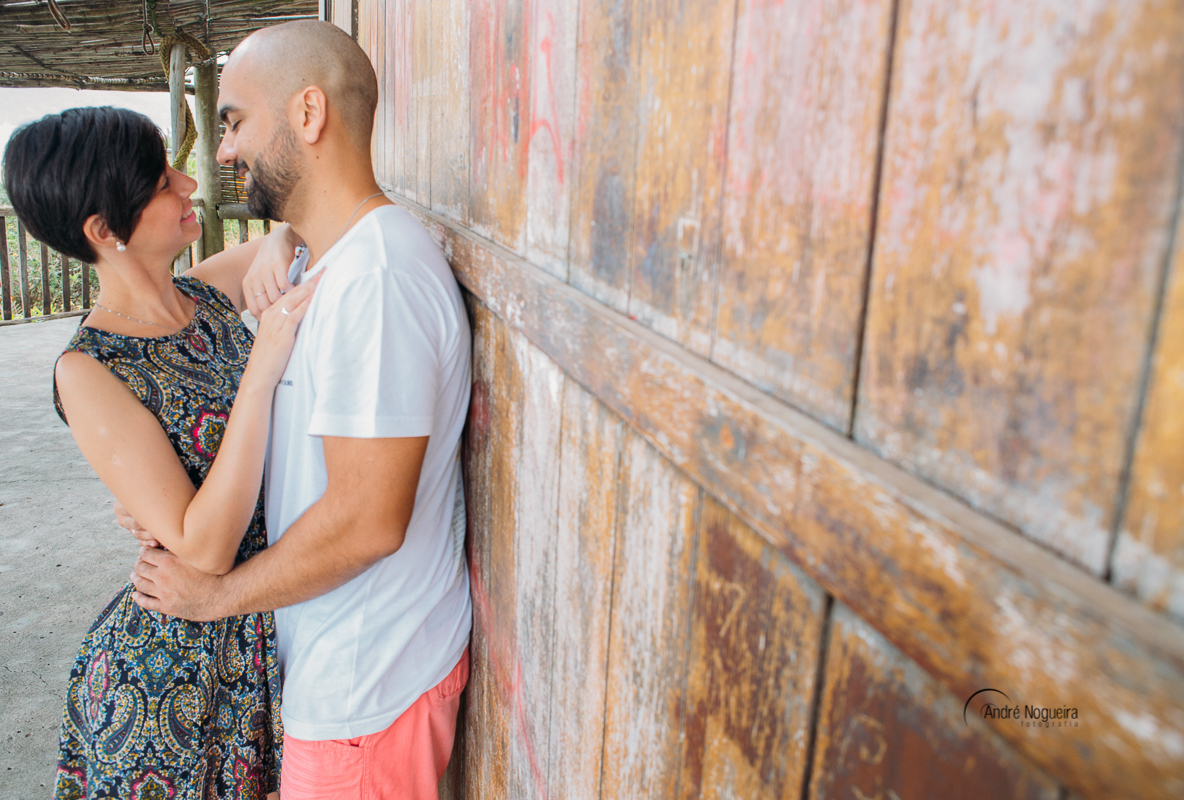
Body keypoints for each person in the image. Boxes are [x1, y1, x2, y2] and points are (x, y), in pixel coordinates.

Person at [126, 20, 474, 799]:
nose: (221, 152)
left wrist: (216, 595)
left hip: (367, 687)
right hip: (346, 670)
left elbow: (366, 519)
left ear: (308, 115)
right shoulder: (330, 257)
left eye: (235, 120)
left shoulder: (375, 281)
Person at [3, 106, 317, 798]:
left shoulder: (207, 293)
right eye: (160, 179)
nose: (188, 185)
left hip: (267, 626)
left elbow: (312, 225)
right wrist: (261, 372)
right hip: (176, 675)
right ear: (103, 230)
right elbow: (201, 549)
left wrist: (278, 240)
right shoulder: (90, 369)